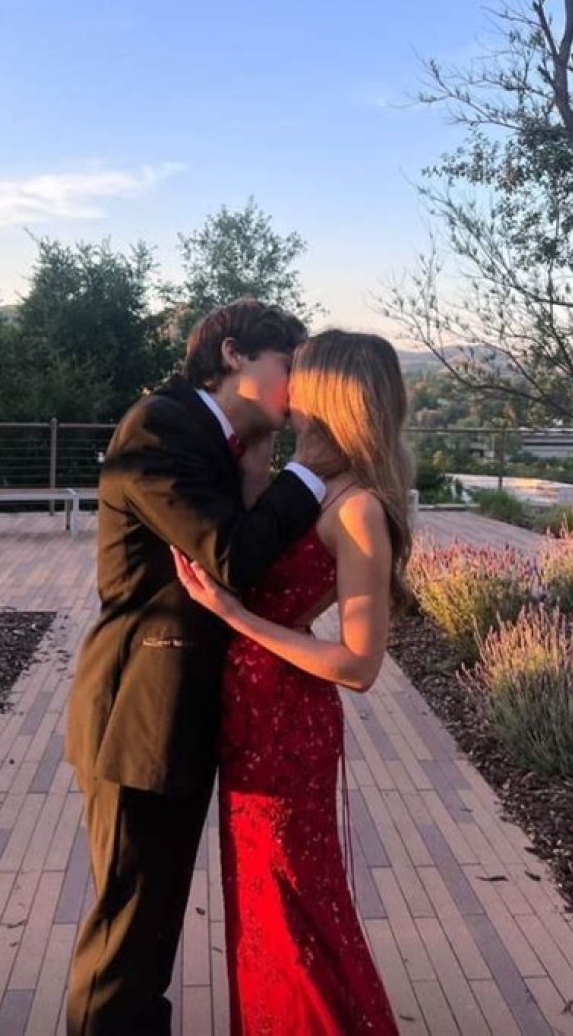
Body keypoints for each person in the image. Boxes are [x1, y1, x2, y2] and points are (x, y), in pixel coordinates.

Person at [65, 299, 328, 1036]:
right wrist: (308, 471)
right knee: (127, 937)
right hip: (138, 715)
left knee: (151, 932)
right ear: (234, 354)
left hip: (178, 716)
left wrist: (259, 477)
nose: (298, 388)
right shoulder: (160, 426)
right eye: (288, 367)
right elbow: (230, 557)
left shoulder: (220, 445)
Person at [174, 328, 412, 1036]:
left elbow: (360, 665)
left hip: (289, 724)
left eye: (301, 376)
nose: (288, 387)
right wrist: (254, 464)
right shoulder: (310, 484)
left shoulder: (358, 508)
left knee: (295, 903)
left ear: (333, 393)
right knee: (258, 900)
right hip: (248, 713)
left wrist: (237, 618)